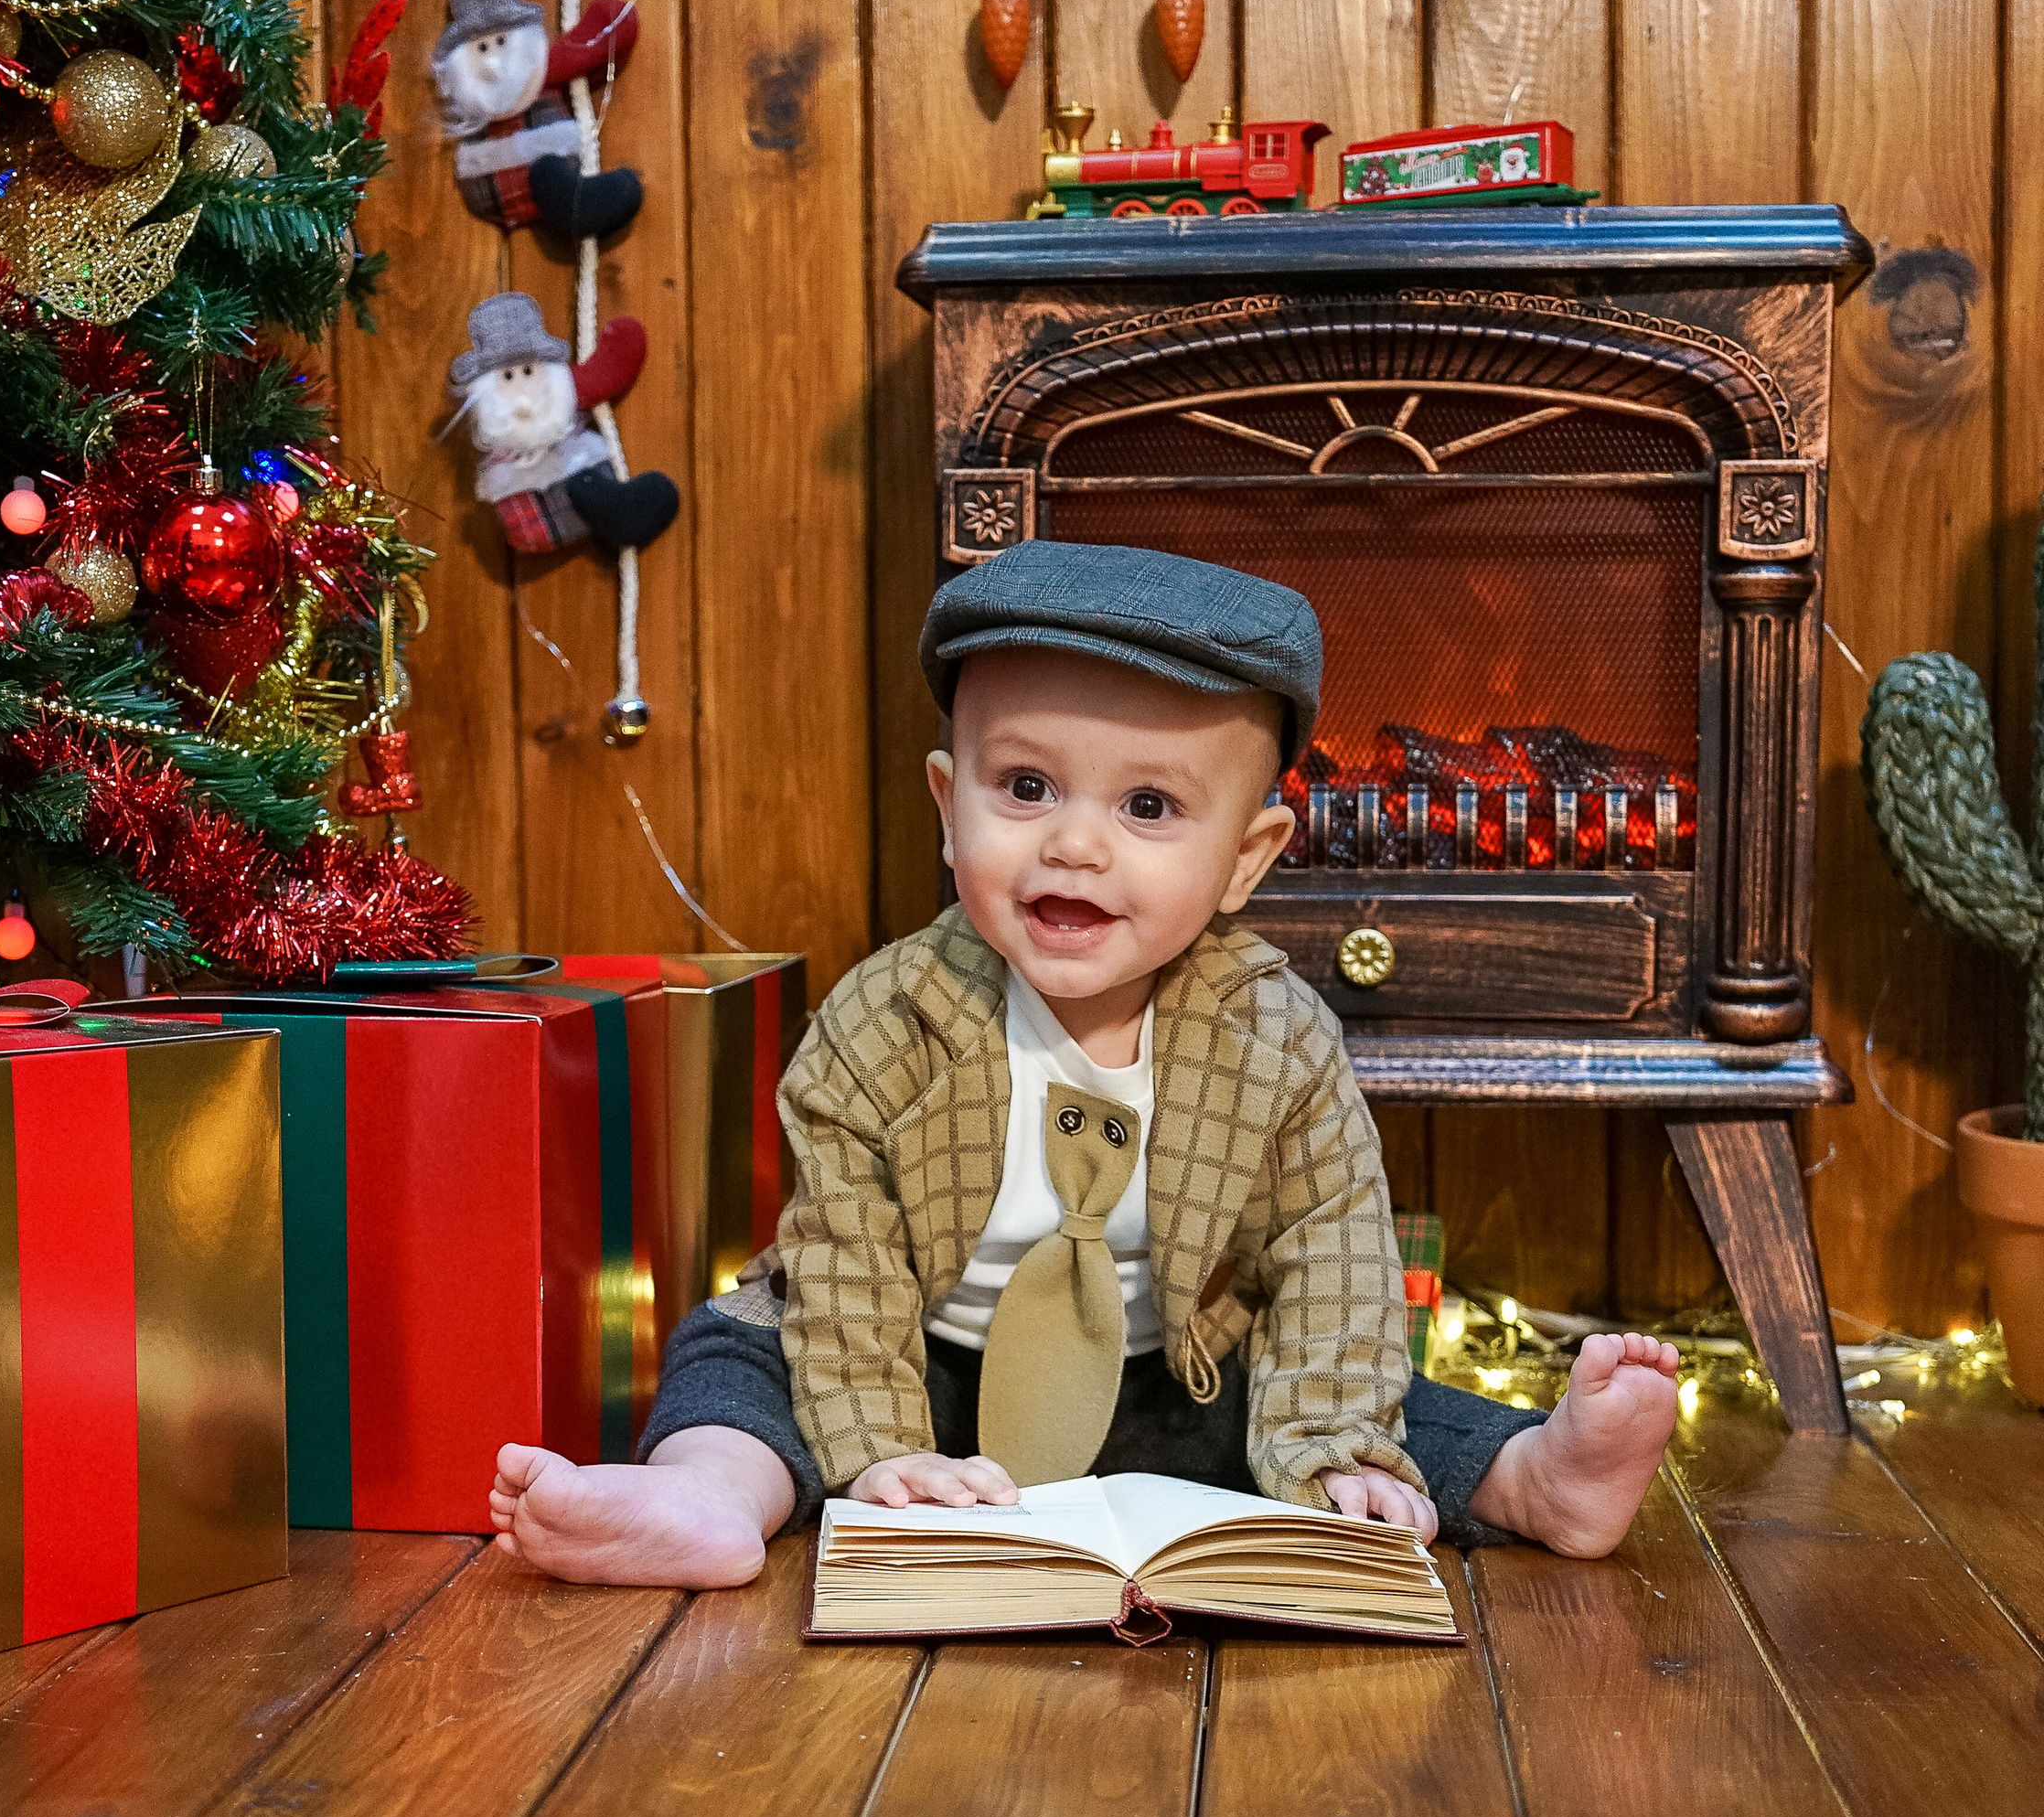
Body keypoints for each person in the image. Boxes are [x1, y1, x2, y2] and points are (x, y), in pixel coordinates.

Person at [492, 542, 1679, 1591]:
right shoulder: (883, 1022)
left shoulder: (1278, 1038)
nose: (1074, 842)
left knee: (1348, 1399)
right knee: (744, 1350)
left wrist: (1331, 1444)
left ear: (1248, 858)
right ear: (950, 808)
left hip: (1173, 1374)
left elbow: (1332, 1257)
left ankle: (1533, 1479)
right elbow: (848, 1263)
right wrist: (879, 1449)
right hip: (918, 1362)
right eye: (1026, 788)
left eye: (1150, 805)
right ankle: (703, 1497)